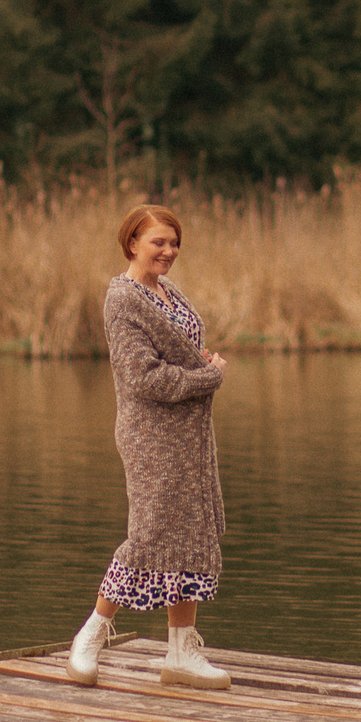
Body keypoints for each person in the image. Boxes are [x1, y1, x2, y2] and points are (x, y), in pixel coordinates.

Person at [67, 204, 233, 690]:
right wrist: (209, 376)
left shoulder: (166, 291)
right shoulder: (122, 299)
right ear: (132, 243)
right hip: (151, 438)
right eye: (158, 242)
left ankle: (181, 653)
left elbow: (171, 354)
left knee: (192, 535)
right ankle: (89, 636)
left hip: (188, 436)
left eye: (174, 243)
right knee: (149, 537)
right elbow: (143, 376)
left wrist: (199, 362)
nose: (169, 251)